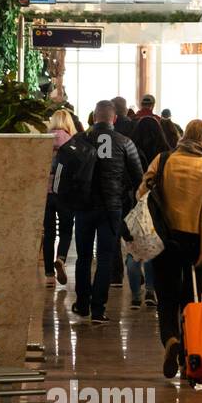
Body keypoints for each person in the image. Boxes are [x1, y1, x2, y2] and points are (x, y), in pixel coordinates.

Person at [138, 119, 202, 379]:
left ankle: (170, 340)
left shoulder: (163, 159)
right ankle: (188, 357)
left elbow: (141, 192)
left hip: (164, 237)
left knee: (166, 296)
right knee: (191, 299)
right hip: (195, 240)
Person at [72, 100, 143, 324]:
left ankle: (82, 305)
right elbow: (138, 177)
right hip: (112, 208)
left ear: (93, 117)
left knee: (83, 257)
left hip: (84, 207)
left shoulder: (79, 140)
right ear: (114, 119)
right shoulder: (125, 142)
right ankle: (99, 309)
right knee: (105, 258)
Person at [125, 116, 171, 308]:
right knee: (153, 247)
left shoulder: (130, 148)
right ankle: (151, 290)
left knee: (133, 251)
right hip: (156, 206)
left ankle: (136, 294)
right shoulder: (165, 154)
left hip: (132, 204)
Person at [43, 108, 79, 286]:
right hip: (65, 193)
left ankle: (49, 275)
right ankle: (61, 259)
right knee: (65, 230)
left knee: (48, 233)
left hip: (46, 193)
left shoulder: (43, 140)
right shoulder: (72, 141)